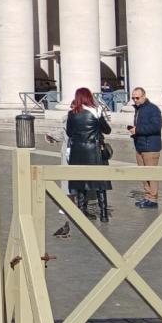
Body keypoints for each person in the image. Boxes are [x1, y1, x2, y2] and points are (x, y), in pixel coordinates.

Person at [65, 87, 111, 224]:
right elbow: (107, 130)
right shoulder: (96, 111)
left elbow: (69, 132)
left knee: (80, 182)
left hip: (78, 150)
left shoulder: (72, 113)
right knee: (100, 183)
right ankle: (104, 214)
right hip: (94, 150)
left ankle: (81, 211)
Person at [127, 86, 162, 210]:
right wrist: (134, 131)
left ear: (144, 96)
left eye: (137, 97)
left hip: (150, 147)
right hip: (140, 146)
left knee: (151, 174)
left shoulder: (152, 109)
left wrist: (138, 130)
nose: (135, 100)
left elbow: (156, 127)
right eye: (133, 98)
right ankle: (147, 197)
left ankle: (153, 199)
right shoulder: (139, 109)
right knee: (143, 174)